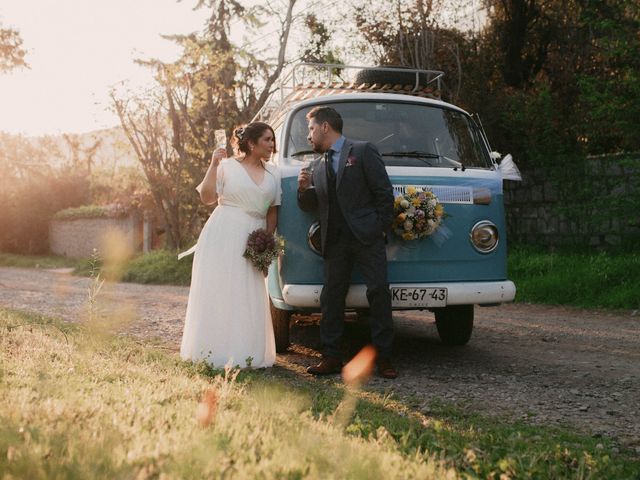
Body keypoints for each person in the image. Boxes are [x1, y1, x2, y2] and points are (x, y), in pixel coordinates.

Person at [297, 106, 398, 379]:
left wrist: (378, 228)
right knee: (331, 298)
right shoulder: (317, 164)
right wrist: (303, 189)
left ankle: (384, 359)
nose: (309, 136)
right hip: (335, 241)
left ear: (325, 127)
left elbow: (384, 193)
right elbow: (312, 205)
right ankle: (331, 358)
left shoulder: (363, 150)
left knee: (378, 293)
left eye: (311, 129)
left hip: (367, 236)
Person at [180, 122, 281, 368]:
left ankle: (247, 353)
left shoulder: (274, 173)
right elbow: (206, 198)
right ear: (251, 143)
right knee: (221, 289)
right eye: (267, 139)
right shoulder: (226, 166)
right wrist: (213, 165)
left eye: (272, 140)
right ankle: (212, 352)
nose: (272, 145)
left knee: (248, 292)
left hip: (253, 237)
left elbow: (272, 212)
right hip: (223, 232)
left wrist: (266, 245)